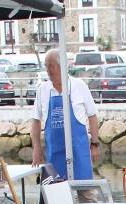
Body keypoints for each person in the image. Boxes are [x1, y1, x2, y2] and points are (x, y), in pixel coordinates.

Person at [30, 48, 102, 181]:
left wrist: (95, 144)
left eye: (51, 66)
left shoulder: (79, 86)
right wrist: (36, 148)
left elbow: (92, 116)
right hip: (54, 154)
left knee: (86, 195)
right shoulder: (43, 90)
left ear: (62, 66)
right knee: (56, 195)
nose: (48, 70)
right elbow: (35, 121)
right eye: (46, 66)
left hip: (79, 153)